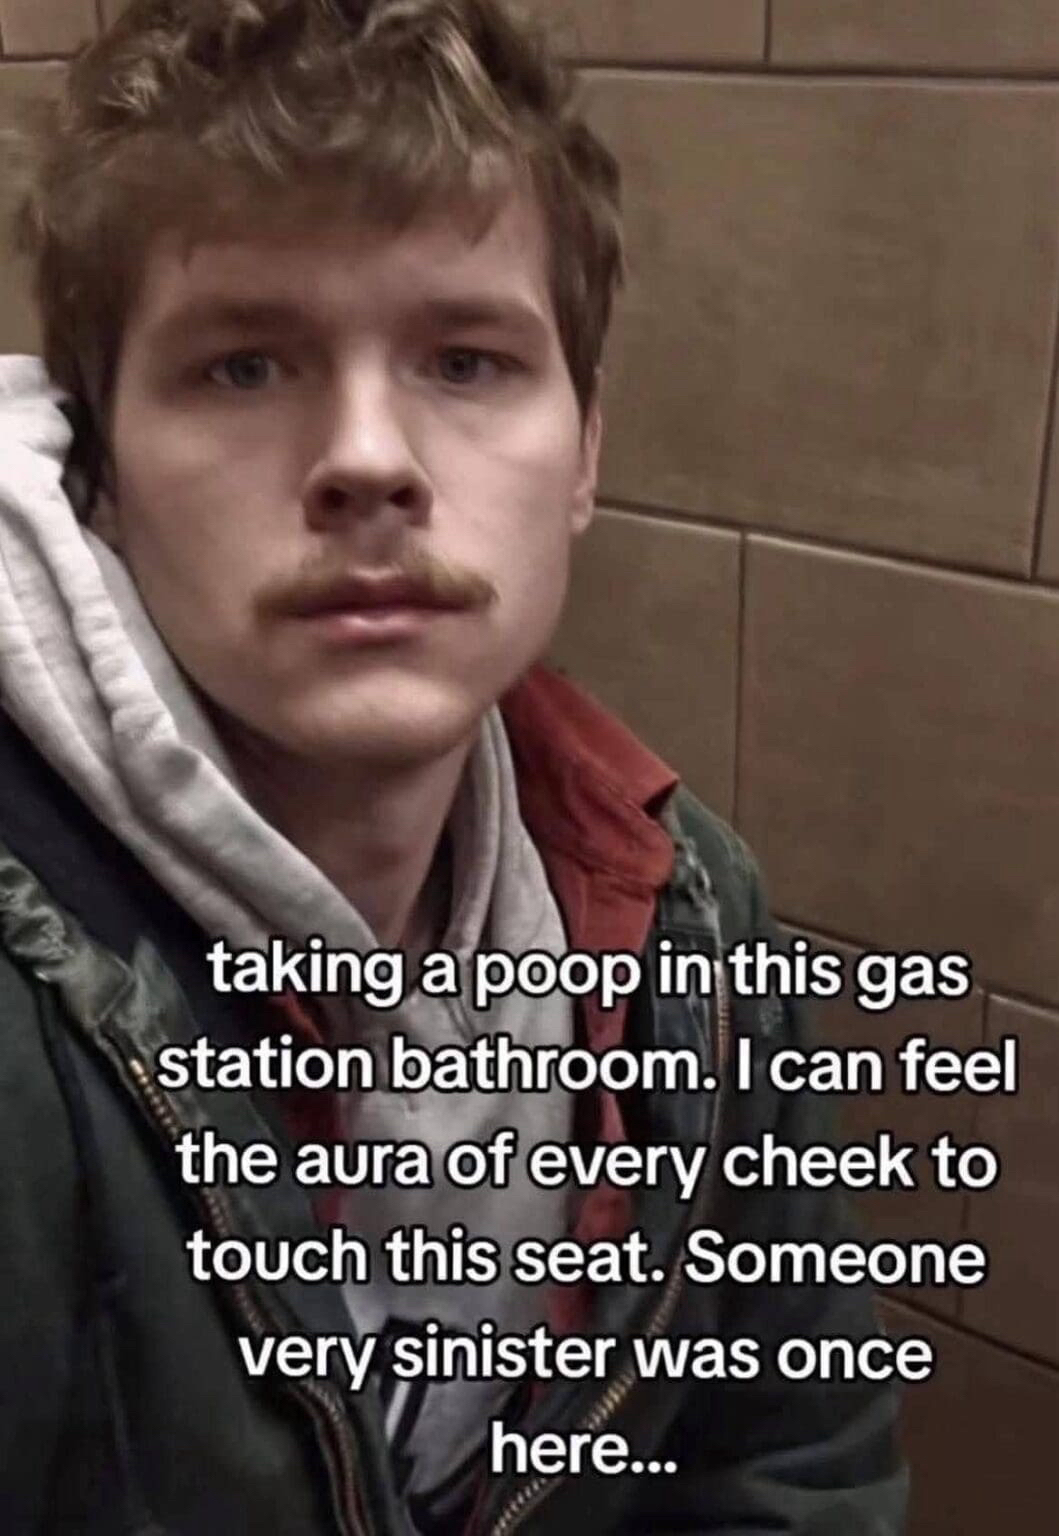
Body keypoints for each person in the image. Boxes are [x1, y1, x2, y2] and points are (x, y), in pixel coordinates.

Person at [0, 1, 908, 1532]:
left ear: (587, 453)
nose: (369, 458)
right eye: (242, 366)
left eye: (468, 361)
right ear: (99, 472)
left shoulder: (690, 919)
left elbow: (791, 1464)